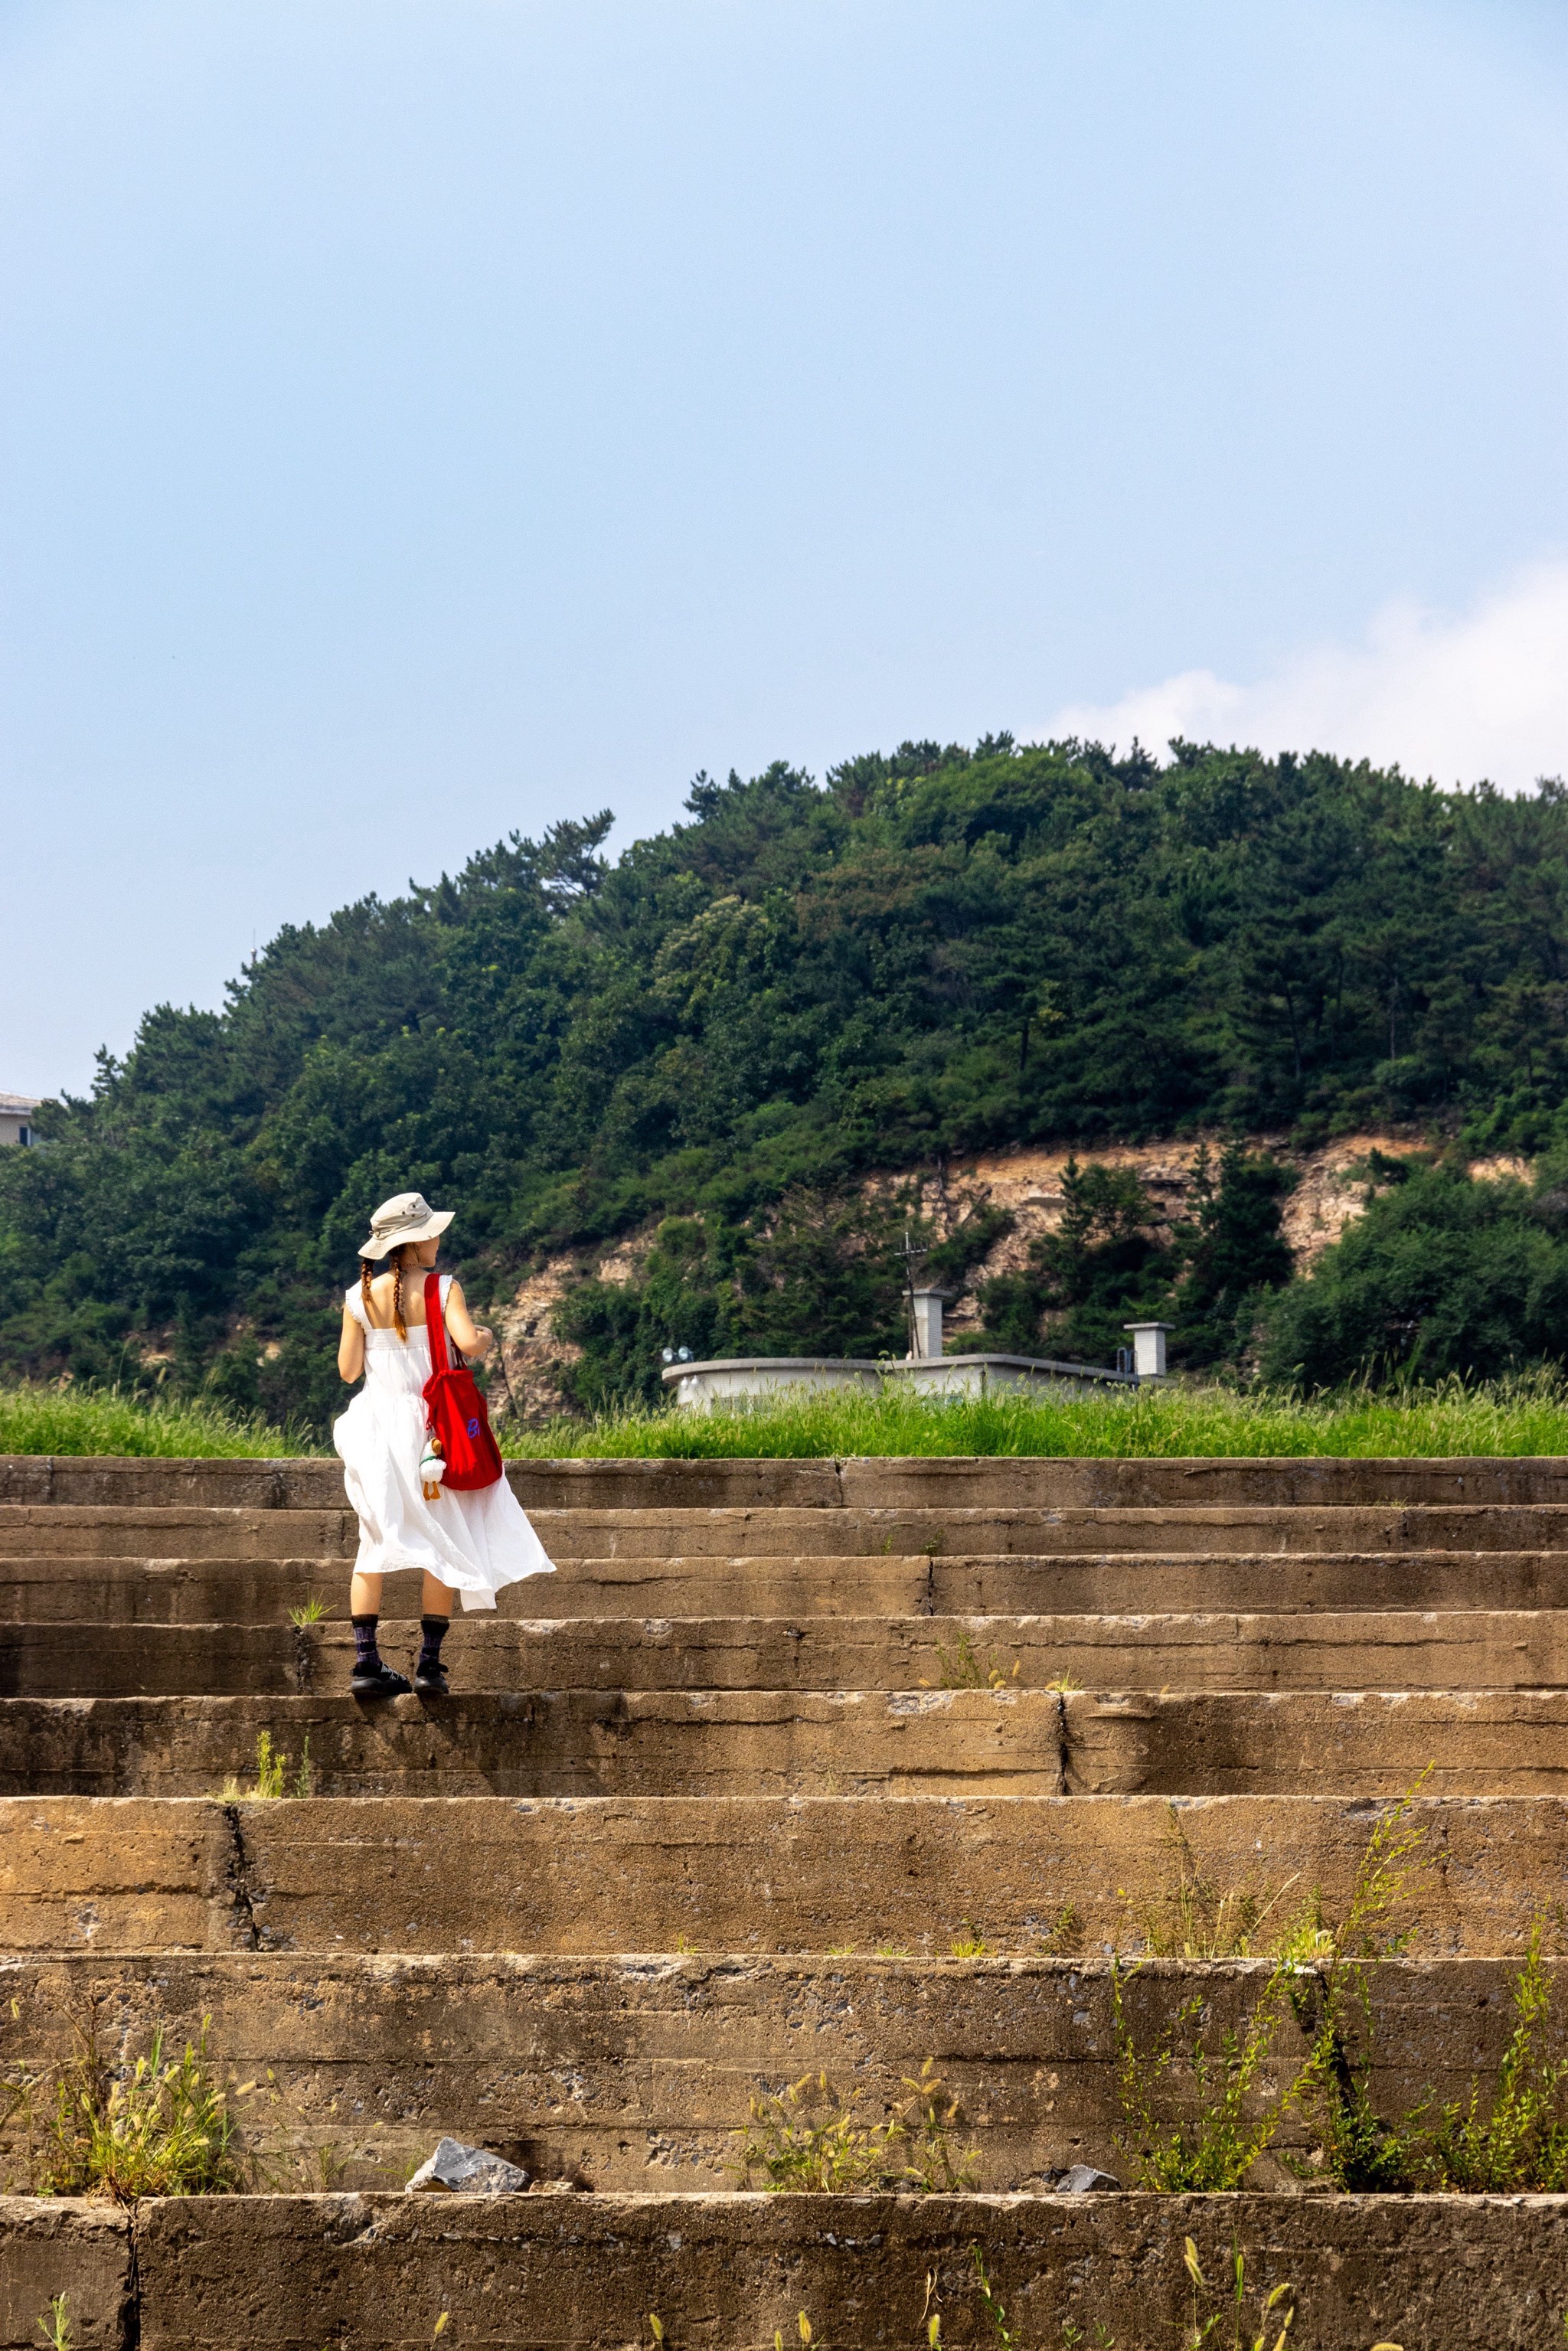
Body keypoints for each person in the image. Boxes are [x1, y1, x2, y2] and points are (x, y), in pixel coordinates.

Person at [333, 1190, 555, 1698]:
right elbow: (469, 1344)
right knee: (442, 1541)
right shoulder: (443, 1288)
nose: (439, 1237)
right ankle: (429, 1666)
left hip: (374, 1431)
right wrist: (485, 1336)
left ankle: (366, 1663)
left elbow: (348, 1372)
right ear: (416, 1240)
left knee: (374, 1542)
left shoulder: (356, 1297)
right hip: (432, 1432)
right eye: (433, 1231)